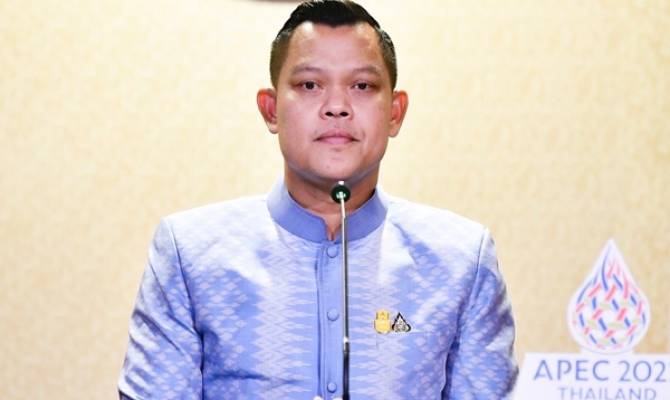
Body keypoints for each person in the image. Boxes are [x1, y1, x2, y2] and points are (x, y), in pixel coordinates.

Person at [118, 1, 518, 399]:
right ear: (271, 109)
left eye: (362, 86)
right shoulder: (190, 254)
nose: (337, 107)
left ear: (395, 113)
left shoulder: (462, 261)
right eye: (310, 85)